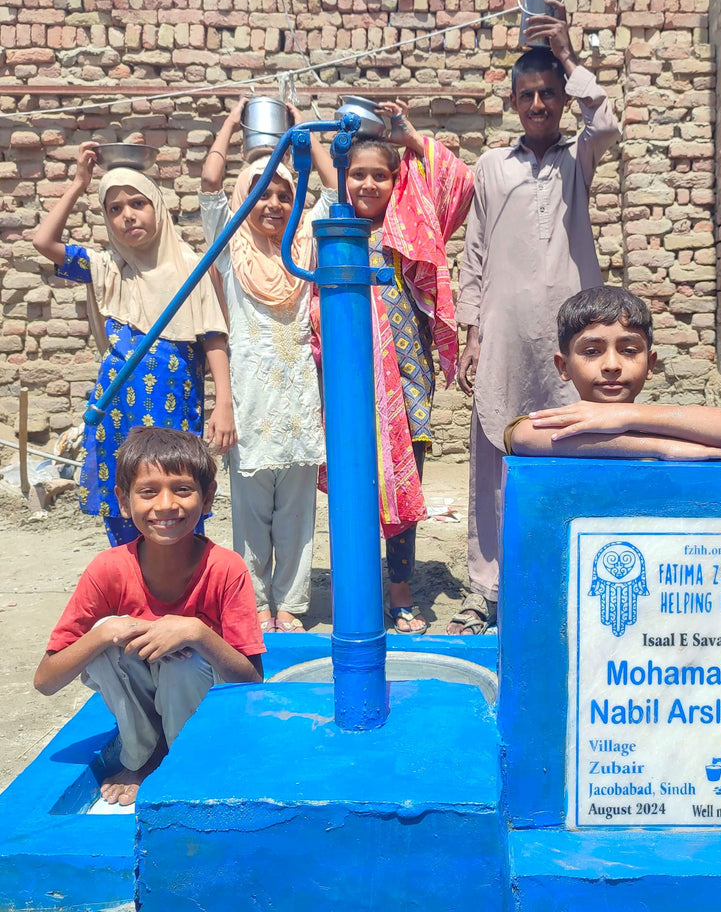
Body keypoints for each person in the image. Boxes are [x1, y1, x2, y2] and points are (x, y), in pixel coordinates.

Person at [449, 2, 620, 635]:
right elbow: (474, 252)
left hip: (571, 335)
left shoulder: (581, 157)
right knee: (494, 454)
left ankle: (561, 574)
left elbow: (604, 119)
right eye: (530, 94)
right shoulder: (492, 167)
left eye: (549, 92)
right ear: (515, 102)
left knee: (574, 445)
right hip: (503, 334)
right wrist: (471, 332)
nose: (541, 104)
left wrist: (571, 56)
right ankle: (484, 589)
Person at [33, 426, 264, 807]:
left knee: (184, 664)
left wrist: (196, 633)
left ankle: (184, 759)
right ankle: (143, 757)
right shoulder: (108, 570)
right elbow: (46, 680)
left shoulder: (226, 568)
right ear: (124, 502)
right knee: (100, 638)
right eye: (148, 491)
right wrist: (107, 631)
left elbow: (253, 680)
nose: (166, 505)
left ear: (207, 499)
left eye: (183, 489)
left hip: (209, 714)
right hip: (142, 695)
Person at [313, 100, 474, 634]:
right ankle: (356, 586)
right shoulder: (327, 233)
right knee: (355, 481)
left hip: (407, 384)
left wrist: (408, 136)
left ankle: (401, 592)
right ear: (342, 177)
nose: (367, 185)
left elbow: (461, 183)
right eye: (356, 174)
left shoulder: (412, 228)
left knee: (406, 487)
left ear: (395, 180)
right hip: (350, 381)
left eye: (380, 175)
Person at [32, 143, 236, 547]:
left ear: (157, 205)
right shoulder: (108, 268)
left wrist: (224, 403)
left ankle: (179, 599)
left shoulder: (192, 266)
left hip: (174, 410)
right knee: (126, 504)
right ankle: (133, 599)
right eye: (115, 209)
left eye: (137, 203)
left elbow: (213, 335)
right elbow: (43, 242)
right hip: (117, 413)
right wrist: (77, 185)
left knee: (176, 500)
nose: (128, 215)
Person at [199, 99, 325, 633]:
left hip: (298, 397)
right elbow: (208, 185)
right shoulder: (230, 247)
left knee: (297, 509)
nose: (272, 203)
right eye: (261, 193)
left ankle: (290, 603)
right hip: (248, 397)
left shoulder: (304, 245)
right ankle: (252, 602)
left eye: (282, 194)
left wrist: (303, 134)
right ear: (244, 199)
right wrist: (231, 125)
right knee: (249, 511)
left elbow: (336, 193)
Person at [505, 286, 721, 460]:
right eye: (592, 351)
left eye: (628, 350)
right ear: (564, 367)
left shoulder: (659, 422)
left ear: (650, 364)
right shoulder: (565, 423)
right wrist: (659, 446)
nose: (611, 365)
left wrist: (627, 414)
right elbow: (523, 436)